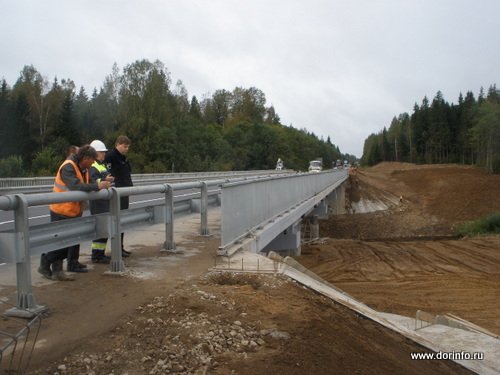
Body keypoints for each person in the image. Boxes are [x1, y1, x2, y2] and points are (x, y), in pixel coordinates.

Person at [38, 145, 112, 281]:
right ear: (86, 158)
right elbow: (75, 185)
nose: (93, 164)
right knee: (62, 244)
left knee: (68, 243)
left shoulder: (85, 168)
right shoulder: (68, 166)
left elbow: (88, 184)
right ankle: (46, 261)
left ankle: (56, 272)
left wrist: (102, 183)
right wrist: (97, 186)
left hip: (73, 210)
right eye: (92, 161)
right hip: (61, 210)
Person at [105, 135, 133, 257]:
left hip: (124, 192)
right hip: (117, 193)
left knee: (122, 221)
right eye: (124, 146)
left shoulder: (122, 158)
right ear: (117, 145)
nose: (126, 149)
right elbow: (107, 172)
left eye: (128, 147)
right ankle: (116, 249)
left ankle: (120, 247)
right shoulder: (111, 156)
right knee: (116, 221)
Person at [89, 140, 114, 263]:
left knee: (104, 229)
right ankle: (96, 256)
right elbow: (93, 181)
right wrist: (105, 179)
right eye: (101, 152)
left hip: (104, 201)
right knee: (100, 228)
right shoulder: (93, 165)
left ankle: (100, 254)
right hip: (98, 202)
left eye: (104, 152)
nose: (104, 154)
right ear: (95, 152)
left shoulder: (101, 165)